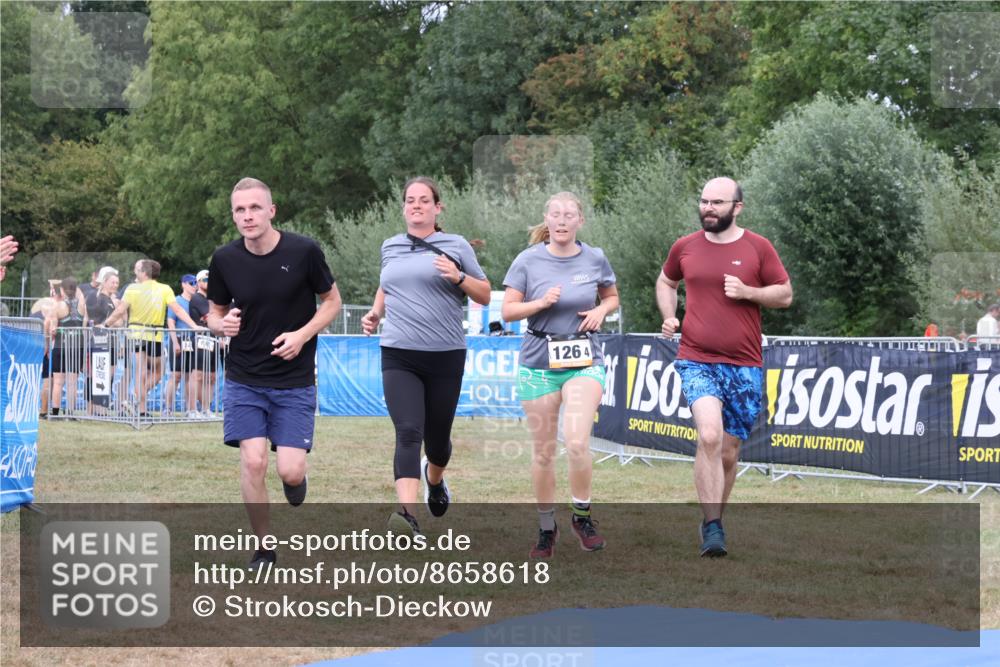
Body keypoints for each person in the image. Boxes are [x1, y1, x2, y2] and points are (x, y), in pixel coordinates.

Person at [205, 177, 341, 569]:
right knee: (253, 461)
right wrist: (221, 325)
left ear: (271, 211)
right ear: (234, 215)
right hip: (244, 377)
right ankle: (264, 548)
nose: (247, 216)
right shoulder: (225, 259)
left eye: (254, 208)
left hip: (294, 379)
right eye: (239, 210)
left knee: (290, 470)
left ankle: (295, 481)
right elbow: (214, 313)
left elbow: (332, 302)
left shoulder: (304, 251)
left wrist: (301, 335)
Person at [656, 177, 792, 557]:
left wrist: (749, 292)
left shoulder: (758, 247)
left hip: (745, 363)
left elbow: (784, 293)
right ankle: (714, 528)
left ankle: (713, 519)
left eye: (717, 202)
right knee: (710, 437)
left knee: (729, 453)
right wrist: (670, 315)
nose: (708, 208)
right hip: (696, 357)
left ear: (737, 207)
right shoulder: (684, 247)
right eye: (704, 201)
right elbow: (666, 282)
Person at [361, 176, 490, 535]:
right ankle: (407, 516)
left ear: (437, 207)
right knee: (407, 431)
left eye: (423, 200)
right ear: (403, 207)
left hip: (445, 353)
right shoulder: (391, 246)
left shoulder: (456, 245)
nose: (416, 205)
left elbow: (484, 294)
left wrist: (459, 275)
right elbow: (387, 283)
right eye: (410, 200)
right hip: (398, 352)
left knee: (437, 443)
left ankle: (434, 479)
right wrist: (375, 313)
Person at [500, 192, 618, 558]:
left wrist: (602, 310)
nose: (562, 220)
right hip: (538, 361)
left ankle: (581, 516)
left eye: (569, 214)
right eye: (556, 214)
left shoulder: (594, 257)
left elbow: (612, 297)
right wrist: (539, 303)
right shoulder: (527, 260)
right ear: (547, 220)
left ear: (580, 220)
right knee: (544, 452)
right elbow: (507, 312)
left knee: (578, 441)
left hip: (584, 358)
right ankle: (546, 526)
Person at [106, 259, 203, 416]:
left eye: (138, 270)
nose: (135, 272)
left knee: (146, 373)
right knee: (154, 372)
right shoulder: (164, 289)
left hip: (138, 334)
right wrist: (194, 326)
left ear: (144, 273)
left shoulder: (133, 288)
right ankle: (141, 409)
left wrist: (106, 325)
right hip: (153, 335)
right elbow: (178, 310)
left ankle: (135, 400)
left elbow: (120, 311)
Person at [49, 278, 88, 416]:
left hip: (60, 347)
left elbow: (52, 330)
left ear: (62, 290)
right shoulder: (83, 306)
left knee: (58, 382)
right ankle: (70, 412)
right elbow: (84, 327)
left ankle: (55, 412)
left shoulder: (57, 306)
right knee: (72, 382)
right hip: (77, 348)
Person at [87, 268, 123, 413]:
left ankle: (101, 407)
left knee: (109, 376)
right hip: (100, 340)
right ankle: (93, 409)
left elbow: (119, 322)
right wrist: (112, 323)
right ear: (105, 282)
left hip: (112, 341)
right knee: (99, 375)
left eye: (117, 283)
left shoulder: (110, 300)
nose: (115, 285)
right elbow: (95, 321)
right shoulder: (97, 297)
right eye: (112, 282)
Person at [163, 274, 198, 417]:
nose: (194, 285)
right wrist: (175, 342)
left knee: (190, 376)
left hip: (192, 341)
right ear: (183, 284)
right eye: (191, 282)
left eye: (196, 282)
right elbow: (170, 322)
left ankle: (190, 409)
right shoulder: (176, 300)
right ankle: (167, 408)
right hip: (178, 339)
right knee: (176, 375)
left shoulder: (196, 301)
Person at [189, 269, 218, 416]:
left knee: (212, 377)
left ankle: (206, 408)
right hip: (200, 339)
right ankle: (192, 409)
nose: (208, 283)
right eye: (205, 280)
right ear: (199, 282)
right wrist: (217, 316)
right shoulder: (197, 298)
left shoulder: (213, 299)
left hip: (214, 339)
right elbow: (209, 315)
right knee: (198, 375)